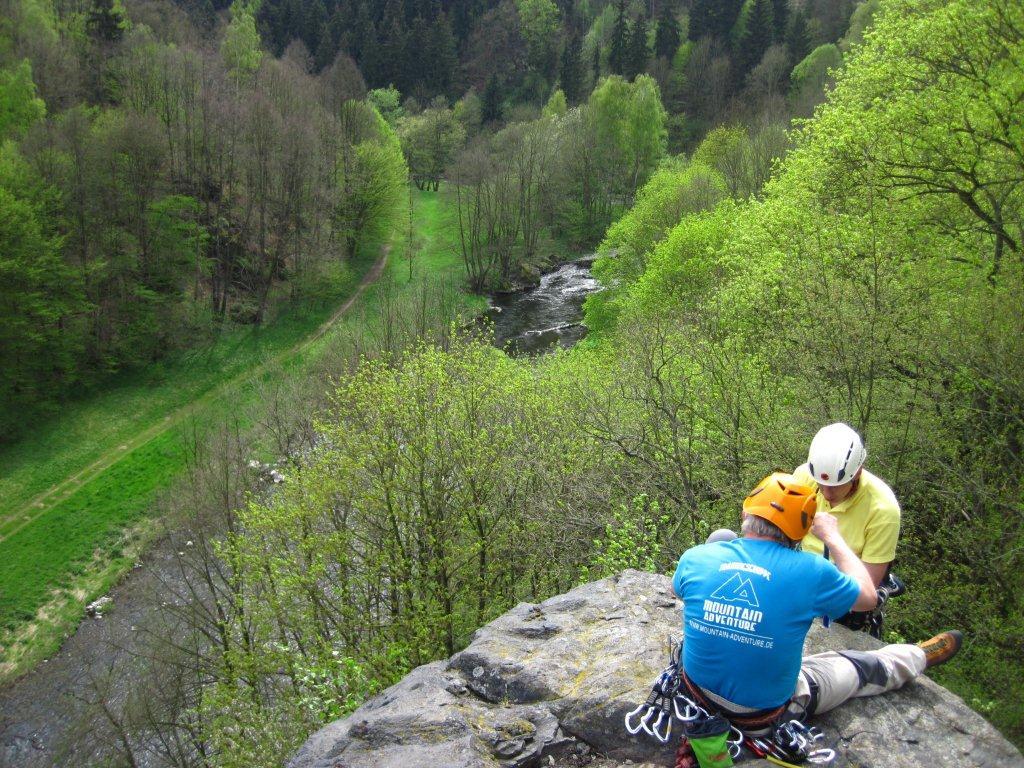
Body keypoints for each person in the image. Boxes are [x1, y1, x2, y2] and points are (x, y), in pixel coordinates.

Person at [671, 473, 960, 754]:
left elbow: (679, 592)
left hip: (694, 697)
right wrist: (833, 538)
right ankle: (916, 657)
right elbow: (869, 596)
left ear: (746, 513)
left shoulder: (696, 557)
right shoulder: (811, 571)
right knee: (851, 666)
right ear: (801, 530)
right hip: (759, 717)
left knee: (720, 539)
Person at [793, 423, 900, 589]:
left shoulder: (883, 509)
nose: (826, 493)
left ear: (857, 472)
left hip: (847, 580)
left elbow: (866, 589)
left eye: (836, 485)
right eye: (820, 484)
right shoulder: (803, 477)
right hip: (803, 569)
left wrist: (832, 538)